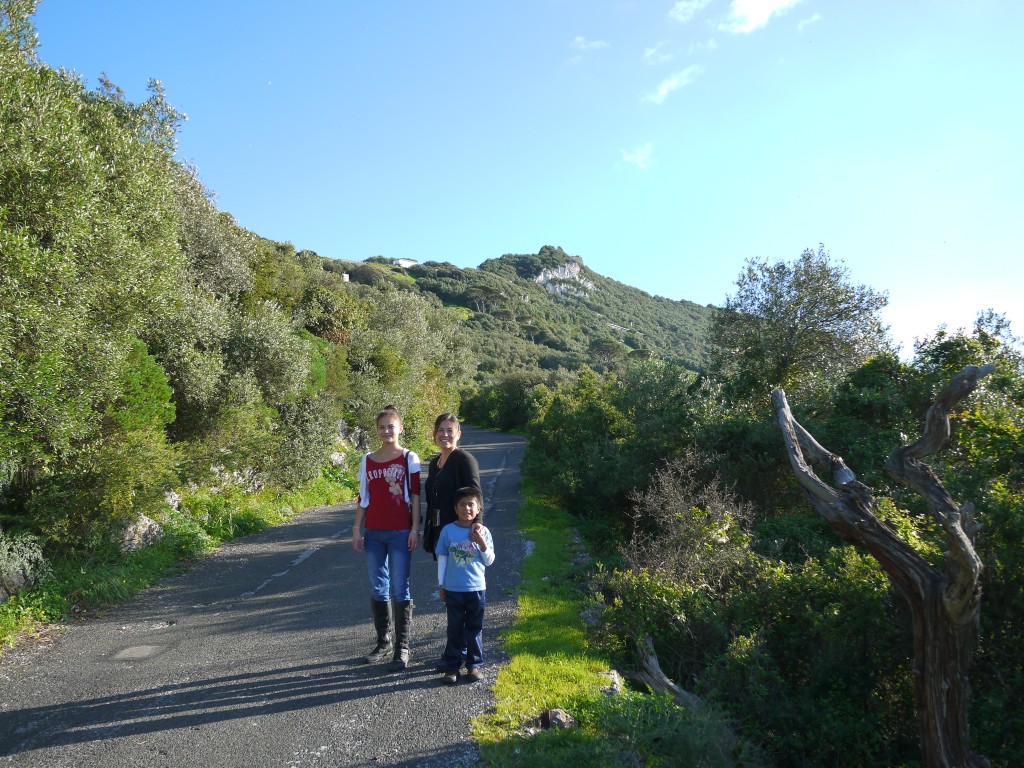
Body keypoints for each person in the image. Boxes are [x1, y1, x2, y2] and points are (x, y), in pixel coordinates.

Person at [352, 405, 421, 671]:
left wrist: (415, 528)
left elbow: (415, 495)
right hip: (374, 532)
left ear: (400, 428)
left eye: (390, 426)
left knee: (399, 587)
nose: (386, 431)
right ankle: (384, 641)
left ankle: (402, 647)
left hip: (401, 531)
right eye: (381, 427)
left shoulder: (408, 458)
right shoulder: (368, 459)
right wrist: (356, 528)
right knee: (378, 587)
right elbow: (363, 497)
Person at [436, 486, 494, 685]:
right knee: (454, 628)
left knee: (474, 628)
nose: (466, 509)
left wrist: (481, 543)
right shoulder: (448, 531)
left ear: (478, 509)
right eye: (462, 505)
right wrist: (441, 585)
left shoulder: (483, 532)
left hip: (476, 588)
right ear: (455, 508)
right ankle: (452, 667)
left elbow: (489, 561)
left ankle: (474, 665)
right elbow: (442, 558)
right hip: (453, 588)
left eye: (471, 505)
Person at [422, 413, 480, 558]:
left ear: (458, 434)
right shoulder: (434, 463)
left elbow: (475, 493)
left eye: (449, 430)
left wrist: (477, 522)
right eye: (440, 430)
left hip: (460, 531)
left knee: (459, 577)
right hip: (438, 531)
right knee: (444, 577)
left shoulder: (465, 460)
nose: (445, 434)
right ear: (435, 434)